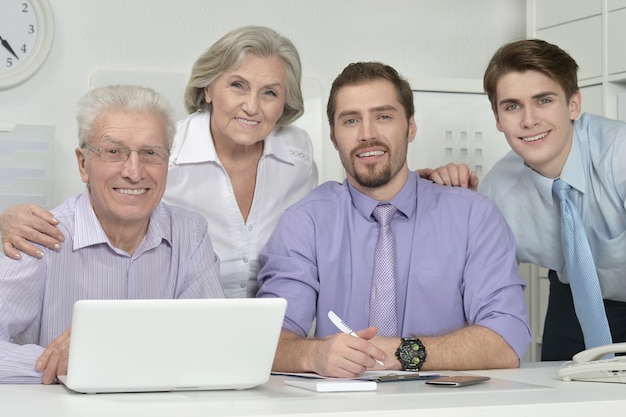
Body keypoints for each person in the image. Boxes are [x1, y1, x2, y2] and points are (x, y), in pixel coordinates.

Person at [256, 62, 531, 377]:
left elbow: (507, 339)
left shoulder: (474, 217)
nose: (367, 134)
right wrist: (314, 355)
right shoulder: (305, 222)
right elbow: (270, 341)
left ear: (411, 127)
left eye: (383, 116)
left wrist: (401, 353)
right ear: (333, 136)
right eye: (350, 120)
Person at [0, 26, 318, 298]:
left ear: (284, 101)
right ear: (208, 88)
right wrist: (10, 221)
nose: (251, 107)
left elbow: (306, 243)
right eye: (237, 85)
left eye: (270, 93)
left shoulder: (298, 153)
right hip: (183, 322)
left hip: (277, 324)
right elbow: (97, 202)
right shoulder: (158, 154)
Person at [0, 85, 224, 385]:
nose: (134, 171)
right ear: (83, 164)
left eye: (150, 153)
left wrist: (107, 351)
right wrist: (59, 365)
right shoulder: (40, 235)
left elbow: (214, 342)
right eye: (114, 152)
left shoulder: (190, 234)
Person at [422, 39, 626, 361]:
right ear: (498, 118)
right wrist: (452, 208)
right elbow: (467, 289)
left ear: (573, 105)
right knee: (562, 398)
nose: (529, 120)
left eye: (543, 100)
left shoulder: (620, 154)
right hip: (574, 298)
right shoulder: (497, 194)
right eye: (513, 106)